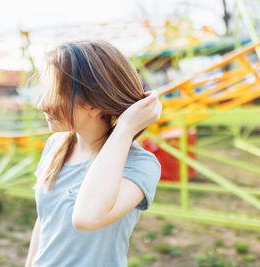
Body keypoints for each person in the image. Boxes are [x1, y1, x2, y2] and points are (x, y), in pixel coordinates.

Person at [25, 40, 162, 267]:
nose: (41, 105)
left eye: (54, 93)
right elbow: (45, 221)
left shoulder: (140, 165)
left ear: (93, 104)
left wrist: (126, 128)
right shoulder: (56, 145)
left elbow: (87, 217)